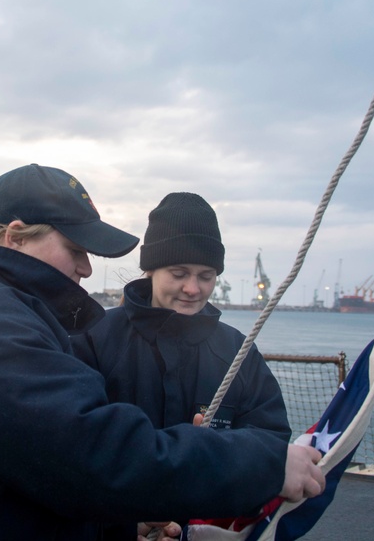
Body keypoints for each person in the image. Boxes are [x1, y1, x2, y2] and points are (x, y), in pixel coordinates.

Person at [0, 165, 324, 540]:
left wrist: (115, 526)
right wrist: (264, 463)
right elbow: (91, 455)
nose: (86, 268)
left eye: (206, 275)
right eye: (76, 248)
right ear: (15, 237)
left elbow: (41, 471)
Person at [74, 192, 293, 537]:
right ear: (150, 269)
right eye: (179, 273)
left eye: (206, 275)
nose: (193, 288)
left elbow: (272, 439)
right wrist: (121, 525)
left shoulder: (237, 350)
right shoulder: (94, 339)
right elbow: (74, 451)